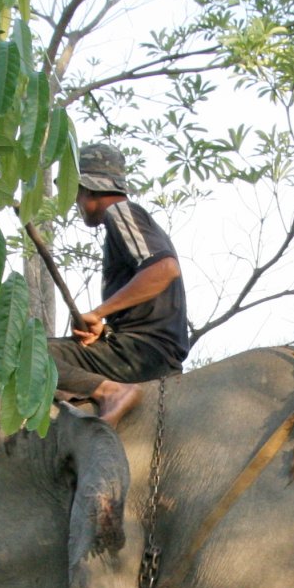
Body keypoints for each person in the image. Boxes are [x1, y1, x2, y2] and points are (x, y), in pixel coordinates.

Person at [49, 142, 190, 426]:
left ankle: (112, 392)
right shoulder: (128, 221)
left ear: (88, 189)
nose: (76, 203)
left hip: (142, 351)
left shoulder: (121, 213)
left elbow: (164, 269)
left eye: (76, 194)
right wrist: (105, 327)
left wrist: (98, 313)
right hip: (144, 348)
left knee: (26, 353)